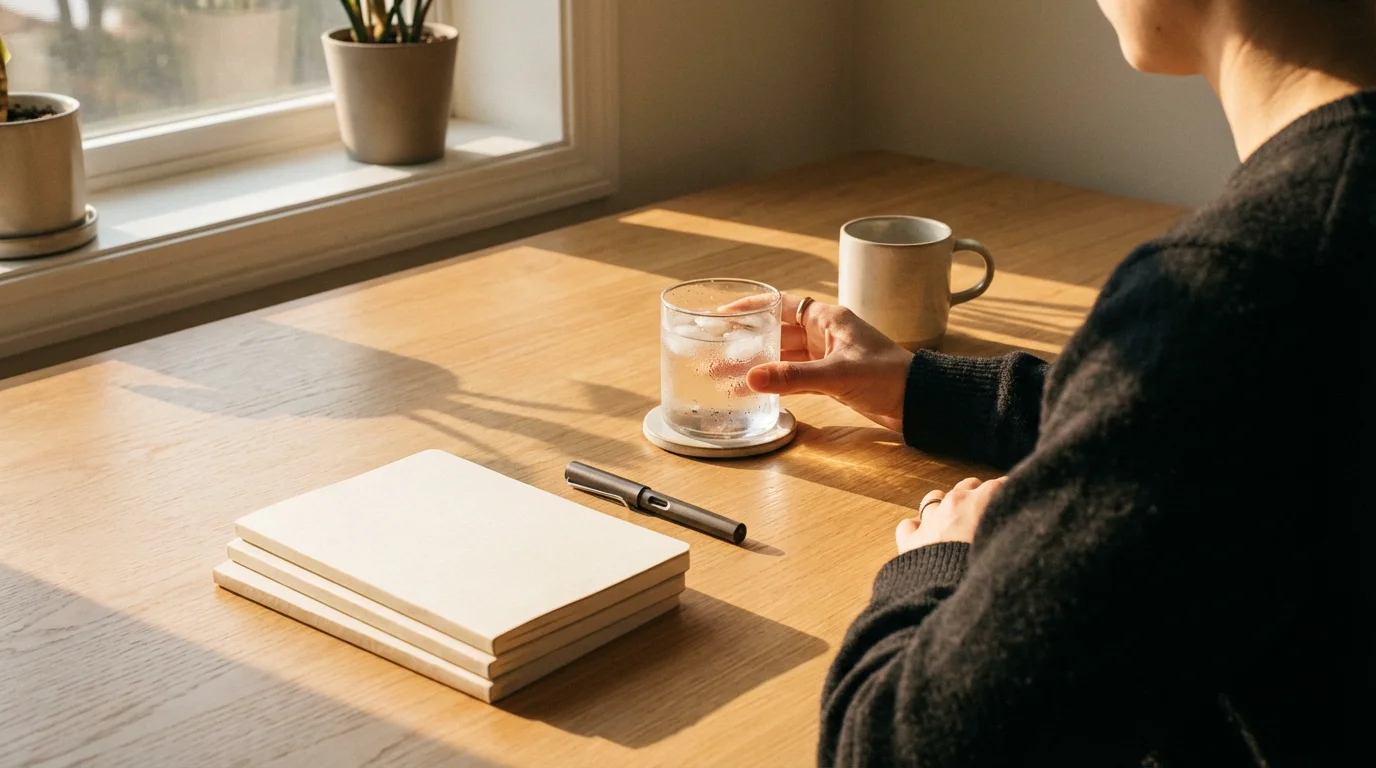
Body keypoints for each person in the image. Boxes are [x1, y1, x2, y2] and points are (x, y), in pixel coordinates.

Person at [744, 1, 1375, 765]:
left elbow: (890, 749)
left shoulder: (1242, 287)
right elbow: (1244, 431)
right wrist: (927, 391)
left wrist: (940, 562)